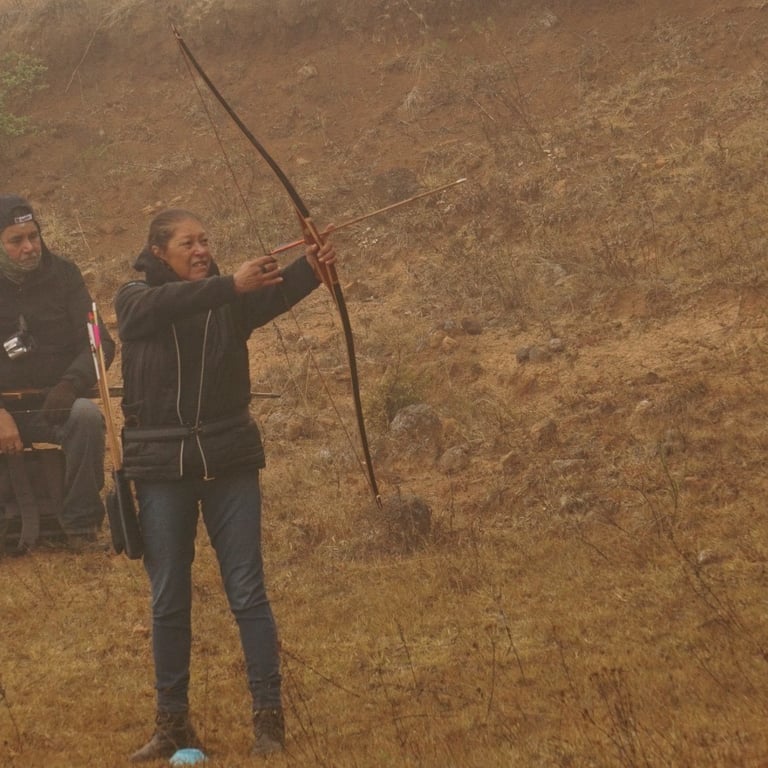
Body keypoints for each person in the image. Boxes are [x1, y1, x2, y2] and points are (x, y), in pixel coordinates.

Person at [115, 208, 337, 761]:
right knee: (169, 596)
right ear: (157, 252)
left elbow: (276, 294)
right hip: (162, 468)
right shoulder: (134, 299)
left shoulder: (229, 299)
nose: (201, 250)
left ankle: (269, 721)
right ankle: (172, 724)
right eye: (187, 243)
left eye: (205, 241)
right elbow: (170, 305)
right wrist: (230, 285)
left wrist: (313, 266)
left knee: (246, 590)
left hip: (228, 458)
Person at [0, 194, 115, 549]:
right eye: (16, 240)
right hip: (3, 409)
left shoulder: (65, 274)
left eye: (33, 236)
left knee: (86, 417)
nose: (29, 247)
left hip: (52, 405)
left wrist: (70, 384)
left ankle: (81, 526)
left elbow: (100, 342)